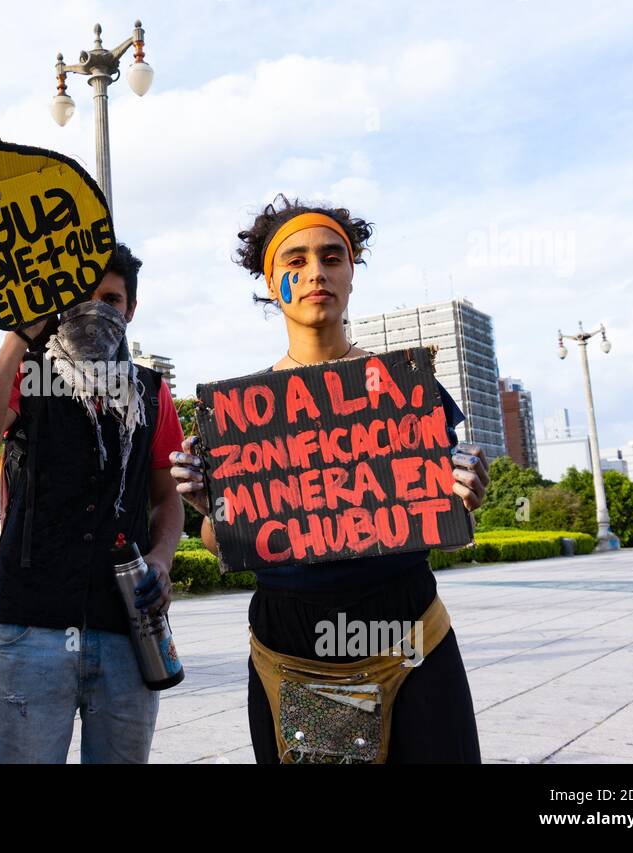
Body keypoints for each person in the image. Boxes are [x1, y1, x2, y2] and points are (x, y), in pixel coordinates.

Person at [169, 197, 489, 763]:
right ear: (271, 284)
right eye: (294, 261)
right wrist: (207, 511)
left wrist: (469, 496)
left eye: (332, 257)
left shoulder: (406, 390)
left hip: (412, 637)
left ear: (350, 273)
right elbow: (228, 546)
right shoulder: (241, 415)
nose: (315, 272)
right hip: (295, 652)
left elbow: (443, 511)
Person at [0, 243, 185, 764]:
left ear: (131, 310)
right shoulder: (28, 372)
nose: (97, 310)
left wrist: (162, 559)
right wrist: (19, 334)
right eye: (82, 296)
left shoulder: (150, 391)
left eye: (112, 299)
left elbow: (167, 498)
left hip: (128, 629)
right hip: (29, 625)